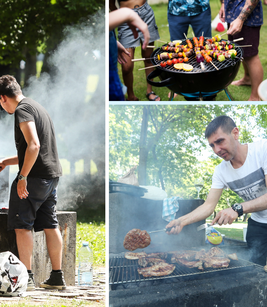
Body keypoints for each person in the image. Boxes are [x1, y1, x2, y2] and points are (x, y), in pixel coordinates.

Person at [0, 75, 64, 290]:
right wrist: (5, 161)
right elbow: (35, 150)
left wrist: (22, 177)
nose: (1, 106)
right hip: (51, 176)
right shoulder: (37, 107)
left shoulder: (22, 110)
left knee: (22, 226)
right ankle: (57, 276)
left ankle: (27, 278)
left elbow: (34, 146)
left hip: (35, 178)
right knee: (50, 225)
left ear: (3, 98)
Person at [167, 116, 267, 265]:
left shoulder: (262, 150)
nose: (217, 150)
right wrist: (181, 221)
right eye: (212, 145)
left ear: (235, 133)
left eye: (220, 141)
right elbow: (208, 206)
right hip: (258, 225)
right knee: (256, 270)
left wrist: (238, 209)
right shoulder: (221, 171)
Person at [110, 0, 161, 101]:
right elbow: (111, 3)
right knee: (126, 66)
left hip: (146, 14)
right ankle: (131, 95)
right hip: (124, 17)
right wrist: (121, 17)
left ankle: (149, 90)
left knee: (148, 57)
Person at [220, 0, 263, 101]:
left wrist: (240, 19)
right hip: (233, 14)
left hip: (247, 18)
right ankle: (247, 78)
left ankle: (255, 97)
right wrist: (223, 4)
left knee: (251, 57)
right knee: (240, 52)